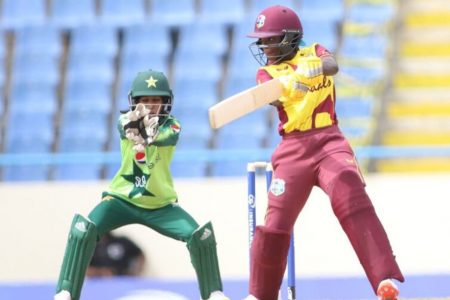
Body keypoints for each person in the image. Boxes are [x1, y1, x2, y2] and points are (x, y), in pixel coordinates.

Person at [243, 5, 404, 300]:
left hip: (330, 140)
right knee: (275, 225)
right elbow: (269, 94)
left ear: (290, 38)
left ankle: (384, 280)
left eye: (270, 40)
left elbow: (331, 65)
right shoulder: (265, 73)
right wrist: (292, 83)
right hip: (293, 149)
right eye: (262, 41)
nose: (264, 46)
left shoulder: (314, 51)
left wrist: (312, 67)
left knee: (350, 192)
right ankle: (260, 295)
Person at [54, 70, 229, 300]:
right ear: (135, 101)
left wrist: (147, 133)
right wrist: (138, 129)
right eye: (145, 100)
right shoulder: (125, 119)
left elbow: (166, 136)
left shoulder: (173, 125)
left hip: (160, 204)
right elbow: (127, 128)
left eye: (156, 100)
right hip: (121, 200)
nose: (151, 105)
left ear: (166, 101)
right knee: (83, 229)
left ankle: (213, 292)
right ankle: (65, 291)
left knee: (200, 235)